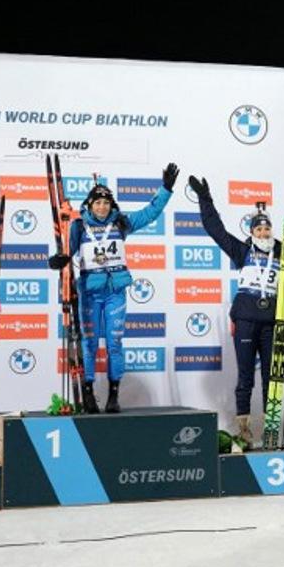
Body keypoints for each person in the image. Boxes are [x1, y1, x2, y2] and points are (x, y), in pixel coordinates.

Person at [49, 163, 178, 414]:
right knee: (89, 343)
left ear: (111, 205)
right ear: (89, 204)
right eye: (97, 203)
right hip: (89, 291)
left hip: (115, 292)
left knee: (115, 343)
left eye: (106, 203)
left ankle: (113, 396)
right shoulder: (79, 225)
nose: (101, 207)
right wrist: (57, 260)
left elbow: (149, 213)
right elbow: (67, 252)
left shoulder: (121, 223)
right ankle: (87, 394)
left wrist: (166, 189)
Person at [188, 176, 284, 447]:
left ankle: (271, 429)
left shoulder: (283, 256)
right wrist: (205, 199)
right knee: (245, 377)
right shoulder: (242, 251)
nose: (264, 233)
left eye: (267, 229)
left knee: (271, 377)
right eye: (259, 229)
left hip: (271, 323)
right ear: (252, 232)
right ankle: (244, 430)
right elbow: (214, 229)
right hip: (244, 320)